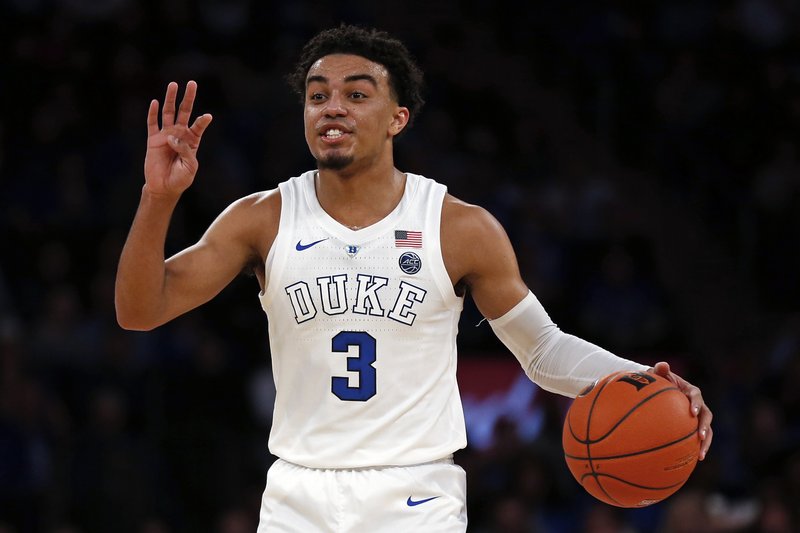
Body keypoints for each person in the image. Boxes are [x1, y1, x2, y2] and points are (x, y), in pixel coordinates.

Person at [115, 24, 713, 532]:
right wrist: (157, 198)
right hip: (297, 492)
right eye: (317, 95)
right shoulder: (261, 218)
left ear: (398, 117)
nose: (333, 107)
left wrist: (643, 381)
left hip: (414, 495)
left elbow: (543, 350)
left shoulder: (458, 227)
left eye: (357, 93)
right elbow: (140, 310)